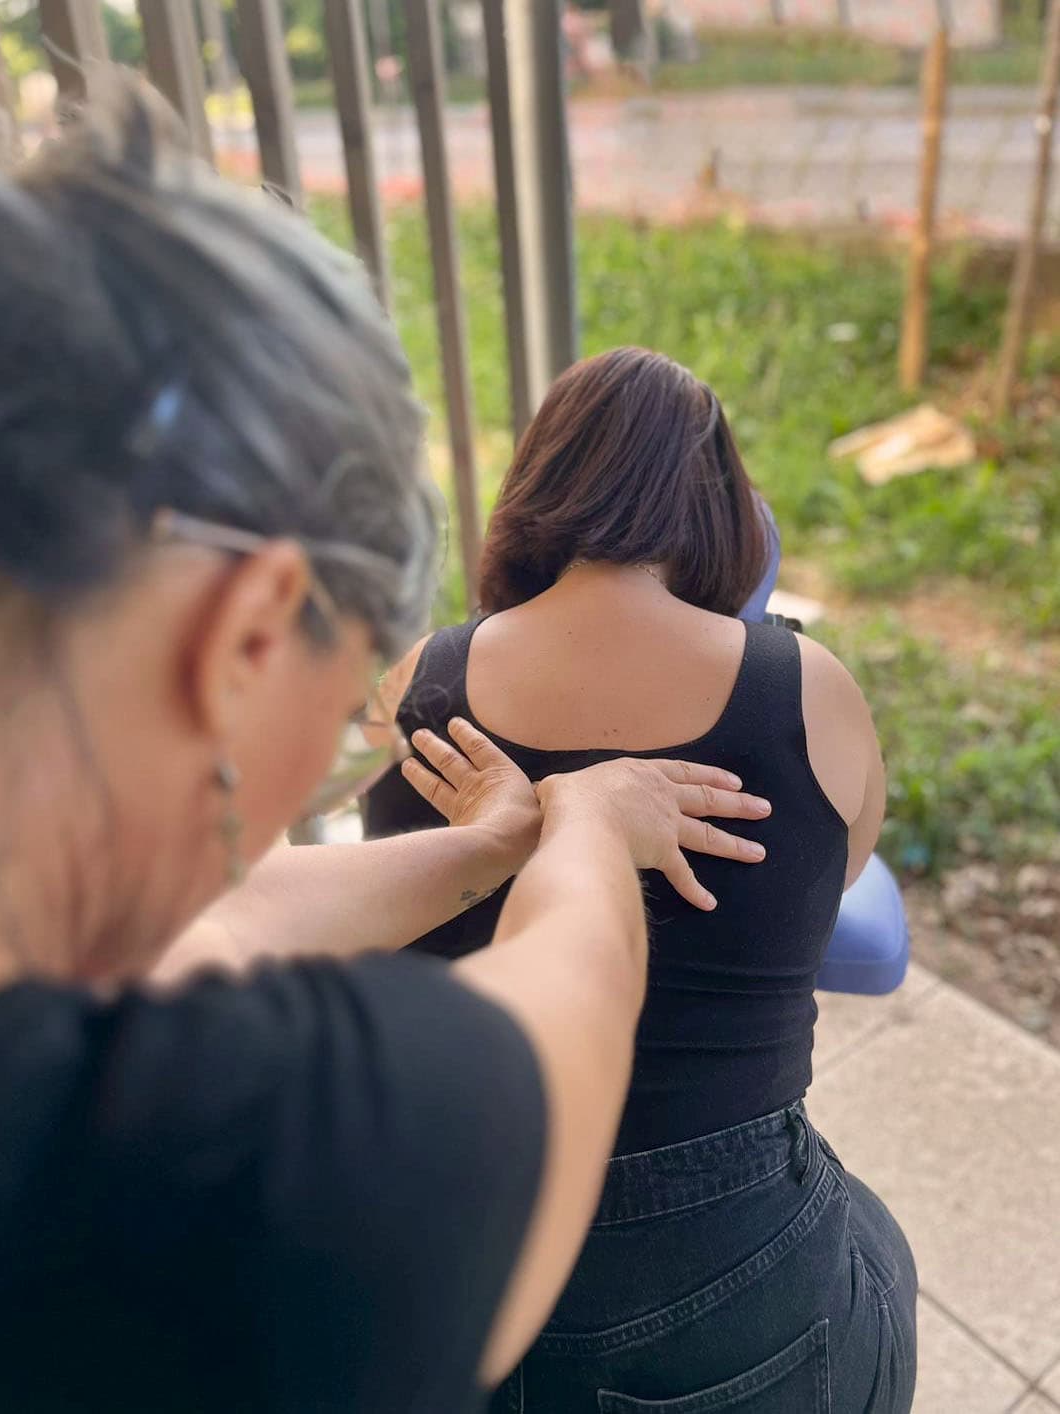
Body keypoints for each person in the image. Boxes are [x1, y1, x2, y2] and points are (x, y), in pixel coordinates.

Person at [0, 89, 775, 1413]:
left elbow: (223, 914)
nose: (322, 768)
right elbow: (565, 1011)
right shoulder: (254, 1159)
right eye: (336, 725)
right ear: (249, 634)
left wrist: (500, 834)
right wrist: (592, 829)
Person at [366, 348, 918, 1412]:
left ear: (538, 488)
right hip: (735, 1246)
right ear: (721, 512)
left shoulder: (424, 679)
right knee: (877, 1253)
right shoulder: (805, 687)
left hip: (472, 1238)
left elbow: (383, 913)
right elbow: (837, 876)